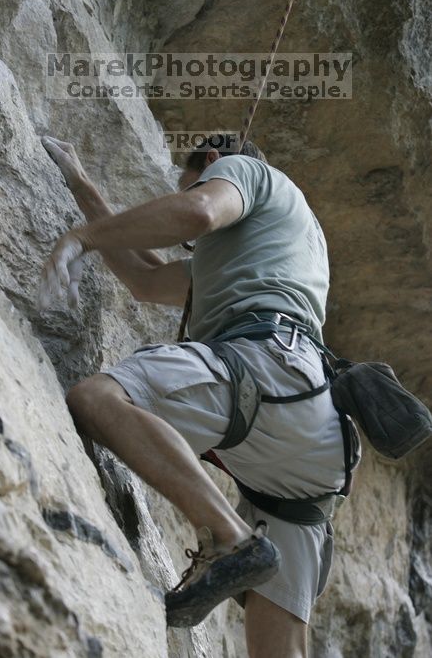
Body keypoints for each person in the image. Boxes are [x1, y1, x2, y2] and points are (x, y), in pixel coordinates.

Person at [39, 134, 347, 658]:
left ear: (212, 162)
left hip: (263, 365)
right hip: (315, 434)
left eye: (191, 180)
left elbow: (199, 213)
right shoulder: (272, 247)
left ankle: (228, 536)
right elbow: (145, 277)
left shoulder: (249, 174)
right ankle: (237, 541)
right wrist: (83, 187)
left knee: (99, 398)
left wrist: (80, 238)